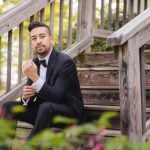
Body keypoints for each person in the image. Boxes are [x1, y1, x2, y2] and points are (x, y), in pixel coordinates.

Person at [2, 21, 84, 139]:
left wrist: (35, 77)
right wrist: (25, 98)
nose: (38, 41)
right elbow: (30, 102)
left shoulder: (65, 62)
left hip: (68, 113)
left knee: (46, 107)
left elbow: (57, 96)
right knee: (8, 106)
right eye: (34, 38)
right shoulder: (34, 63)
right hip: (44, 113)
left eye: (42, 36)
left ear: (51, 39)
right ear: (31, 43)